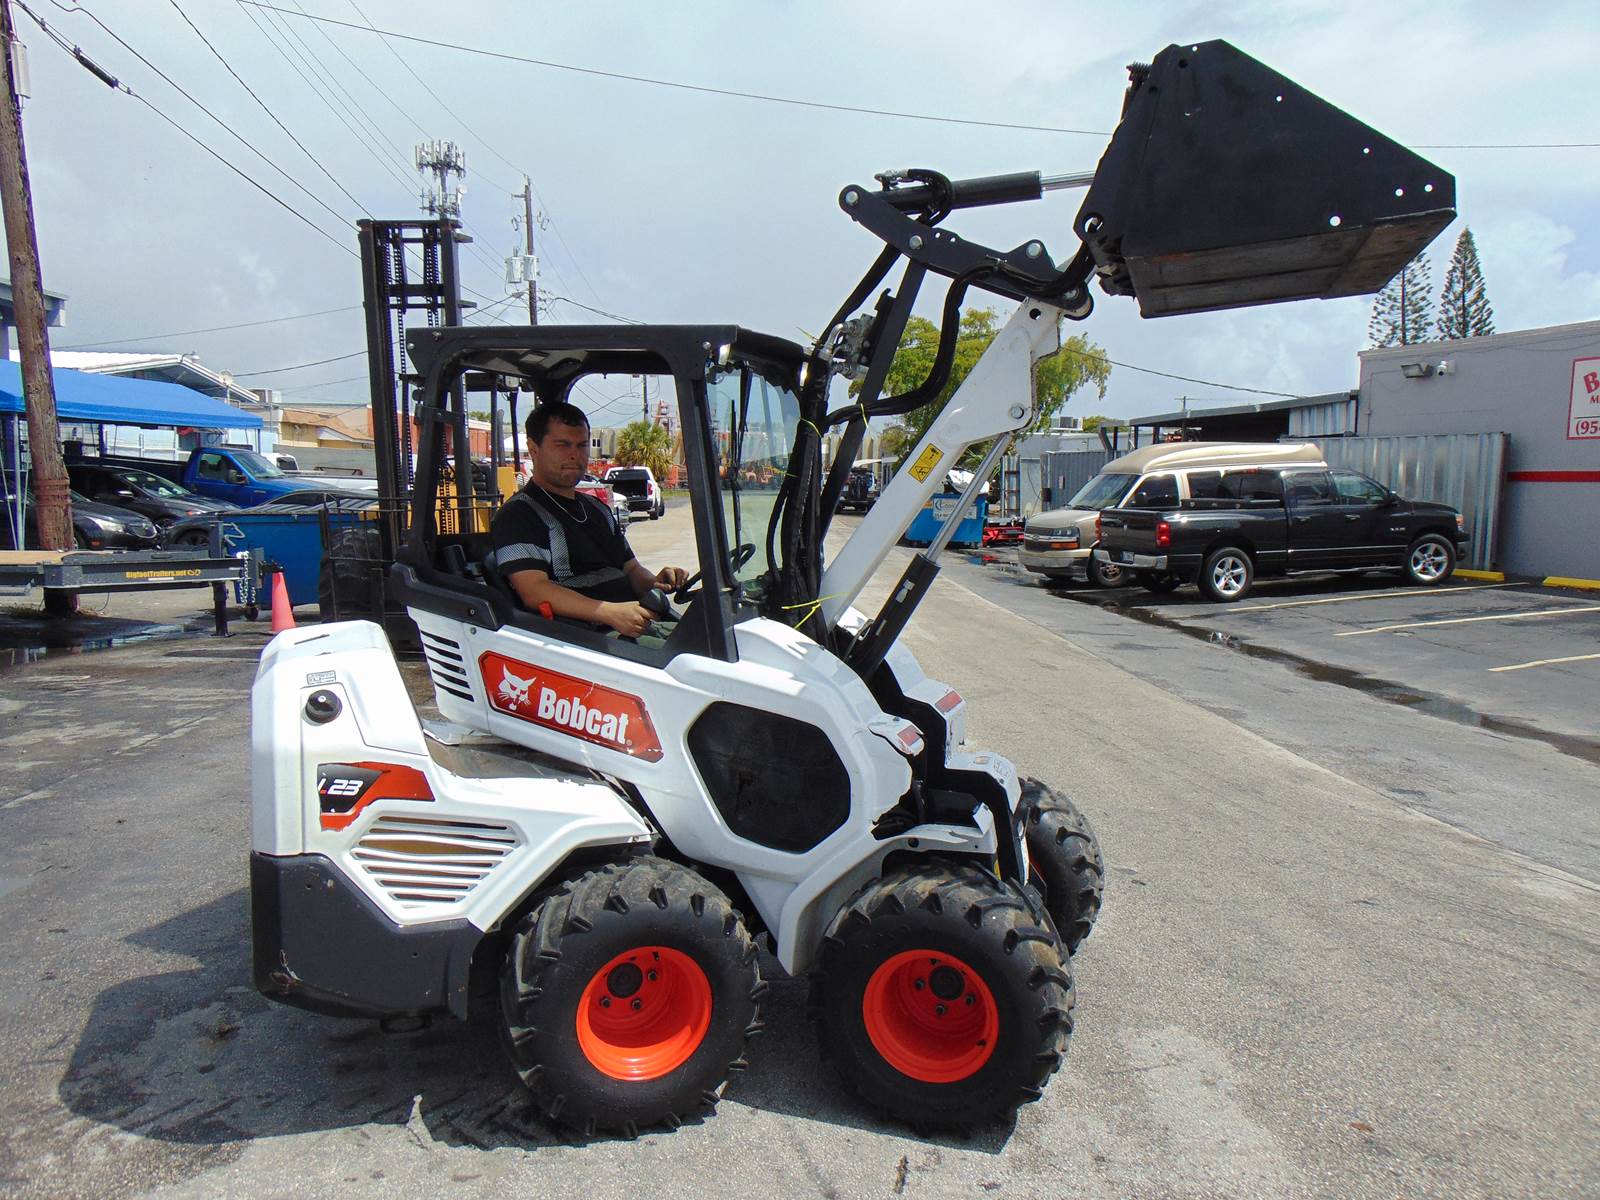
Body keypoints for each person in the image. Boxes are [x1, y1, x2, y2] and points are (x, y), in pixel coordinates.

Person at [490, 401, 687, 637]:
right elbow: (534, 591)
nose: (575, 455)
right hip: (586, 638)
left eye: (582, 445)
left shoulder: (597, 509)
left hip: (630, 622)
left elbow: (631, 568)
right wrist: (610, 613)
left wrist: (655, 583)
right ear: (533, 448)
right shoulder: (518, 515)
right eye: (563, 445)